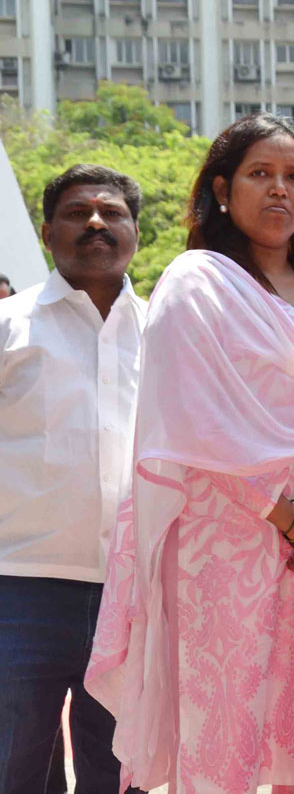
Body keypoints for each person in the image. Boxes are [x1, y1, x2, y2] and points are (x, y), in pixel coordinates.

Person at [85, 113, 294, 794]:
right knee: (222, 762)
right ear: (223, 189)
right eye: (260, 174)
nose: (280, 190)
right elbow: (192, 430)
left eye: (293, 177)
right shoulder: (196, 283)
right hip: (228, 555)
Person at [0, 164, 146, 794]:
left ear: (134, 230)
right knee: (15, 765)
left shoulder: (168, 330)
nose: (95, 223)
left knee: (121, 772)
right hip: (22, 591)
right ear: (46, 230)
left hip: (135, 592)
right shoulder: (10, 329)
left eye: (111, 213)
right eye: (76, 212)